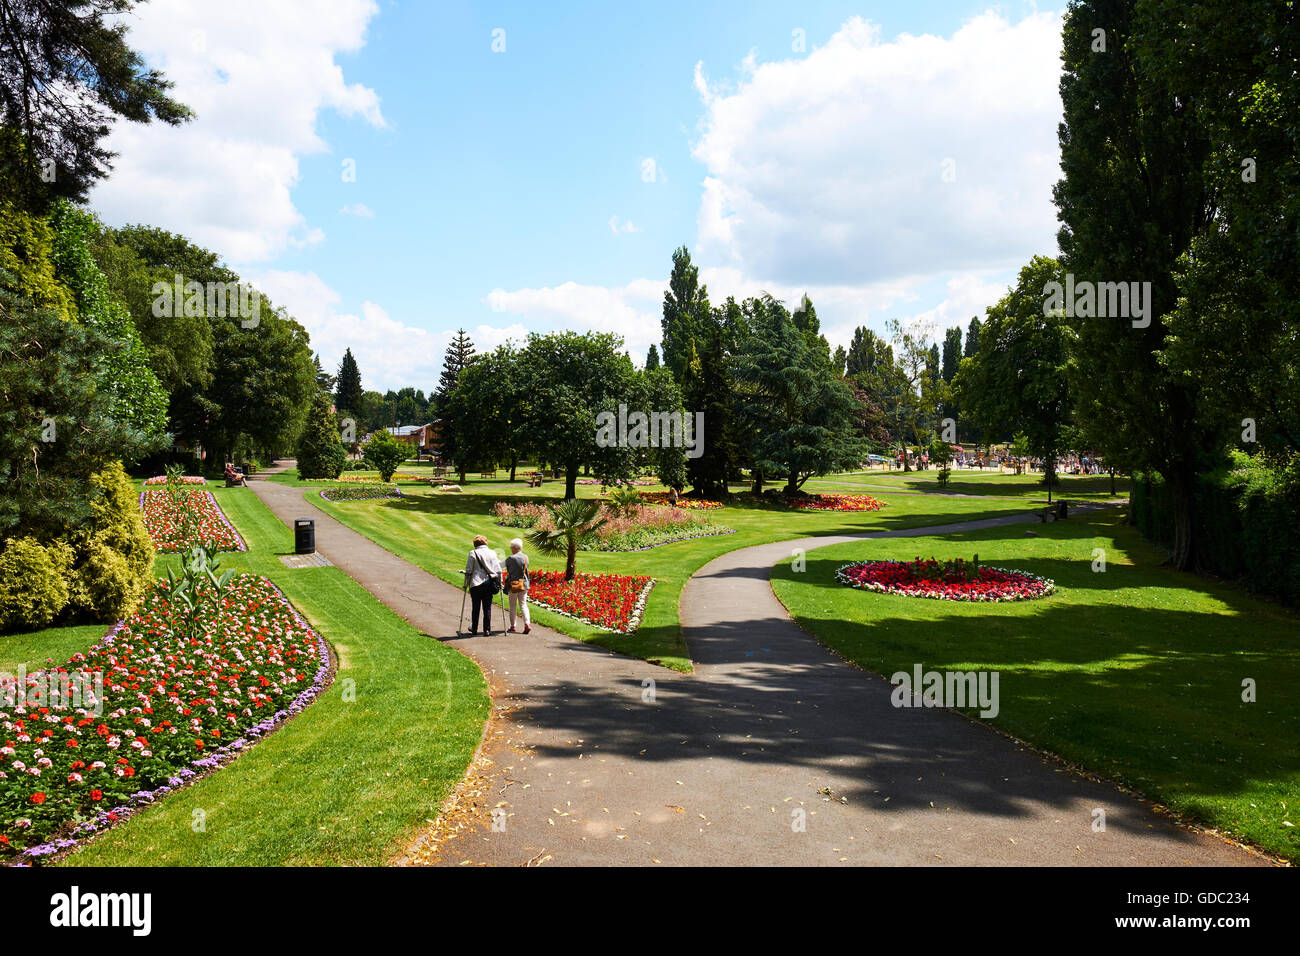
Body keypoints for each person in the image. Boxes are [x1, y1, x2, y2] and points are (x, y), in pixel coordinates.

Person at [464, 534, 503, 636]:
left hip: (476, 583)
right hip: (488, 583)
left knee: (475, 607)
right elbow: (498, 570)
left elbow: (469, 570)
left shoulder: (473, 553)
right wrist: (500, 582)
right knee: (487, 608)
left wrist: (465, 584)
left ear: (475, 544)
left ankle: (474, 628)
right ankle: (487, 629)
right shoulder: (492, 553)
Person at [504, 537, 531, 634]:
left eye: (511, 547)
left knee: (513, 606)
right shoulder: (526, 557)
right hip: (524, 583)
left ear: (514, 548)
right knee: (523, 604)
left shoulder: (511, 558)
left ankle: (513, 626)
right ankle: (527, 624)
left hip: (513, 584)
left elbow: (502, 566)